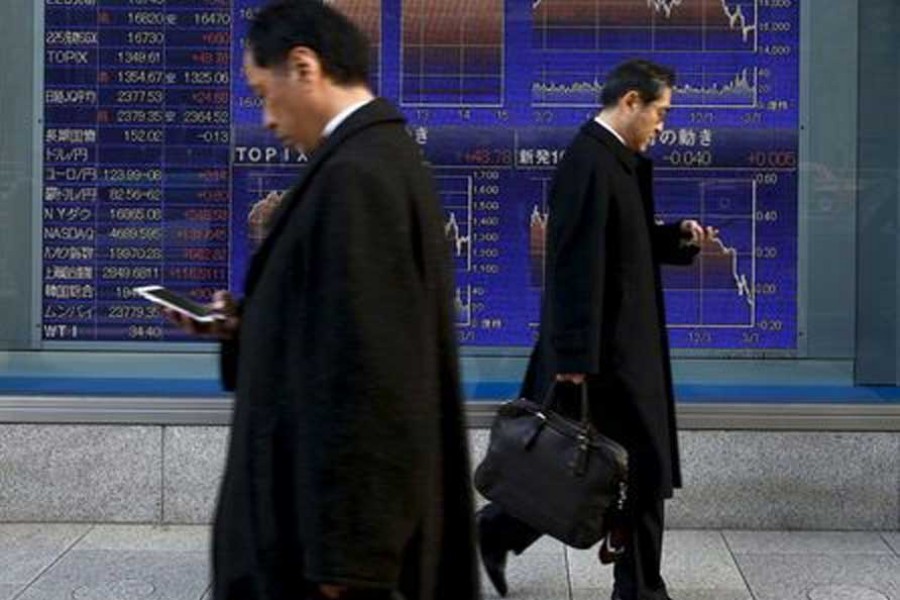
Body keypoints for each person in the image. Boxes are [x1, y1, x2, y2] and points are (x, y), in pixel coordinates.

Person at [167, 2, 480, 599]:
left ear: (304, 67)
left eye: (263, 93)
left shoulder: (358, 178)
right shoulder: (367, 160)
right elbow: (333, 329)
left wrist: (349, 559)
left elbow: (375, 372)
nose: (264, 119)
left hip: (329, 559)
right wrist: (242, 327)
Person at [475, 59, 716, 600]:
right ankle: (639, 589)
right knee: (636, 473)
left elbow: (622, 241)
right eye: (660, 111)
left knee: (598, 472)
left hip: (621, 351)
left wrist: (675, 237)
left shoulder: (615, 161)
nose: (663, 124)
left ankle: (500, 528)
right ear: (630, 101)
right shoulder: (589, 162)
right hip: (606, 358)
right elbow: (571, 265)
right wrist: (576, 356)